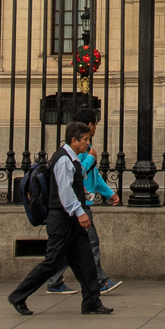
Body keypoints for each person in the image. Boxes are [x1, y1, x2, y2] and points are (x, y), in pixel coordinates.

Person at [8, 122, 110, 315]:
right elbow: (64, 192)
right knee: (52, 262)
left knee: (85, 259)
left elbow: (72, 187)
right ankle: (18, 295)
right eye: (85, 140)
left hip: (70, 219)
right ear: (74, 140)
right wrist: (80, 213)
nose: (88, 144)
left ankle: (92, 301)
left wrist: (86, 197)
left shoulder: (72, 158)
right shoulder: (64, 160)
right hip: (63, 220)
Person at [45, 113, 120, 296]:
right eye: (94, 126)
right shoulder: (74, 153)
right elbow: (78, 174)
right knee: (90, 243)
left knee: (72, 246)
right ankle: (99, 281)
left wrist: (109, 193)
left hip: (82, 204)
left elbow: (95, 177)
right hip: (79, 206)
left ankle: (56, 281)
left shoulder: (85, 149)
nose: (89, 139)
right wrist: (90, 159)